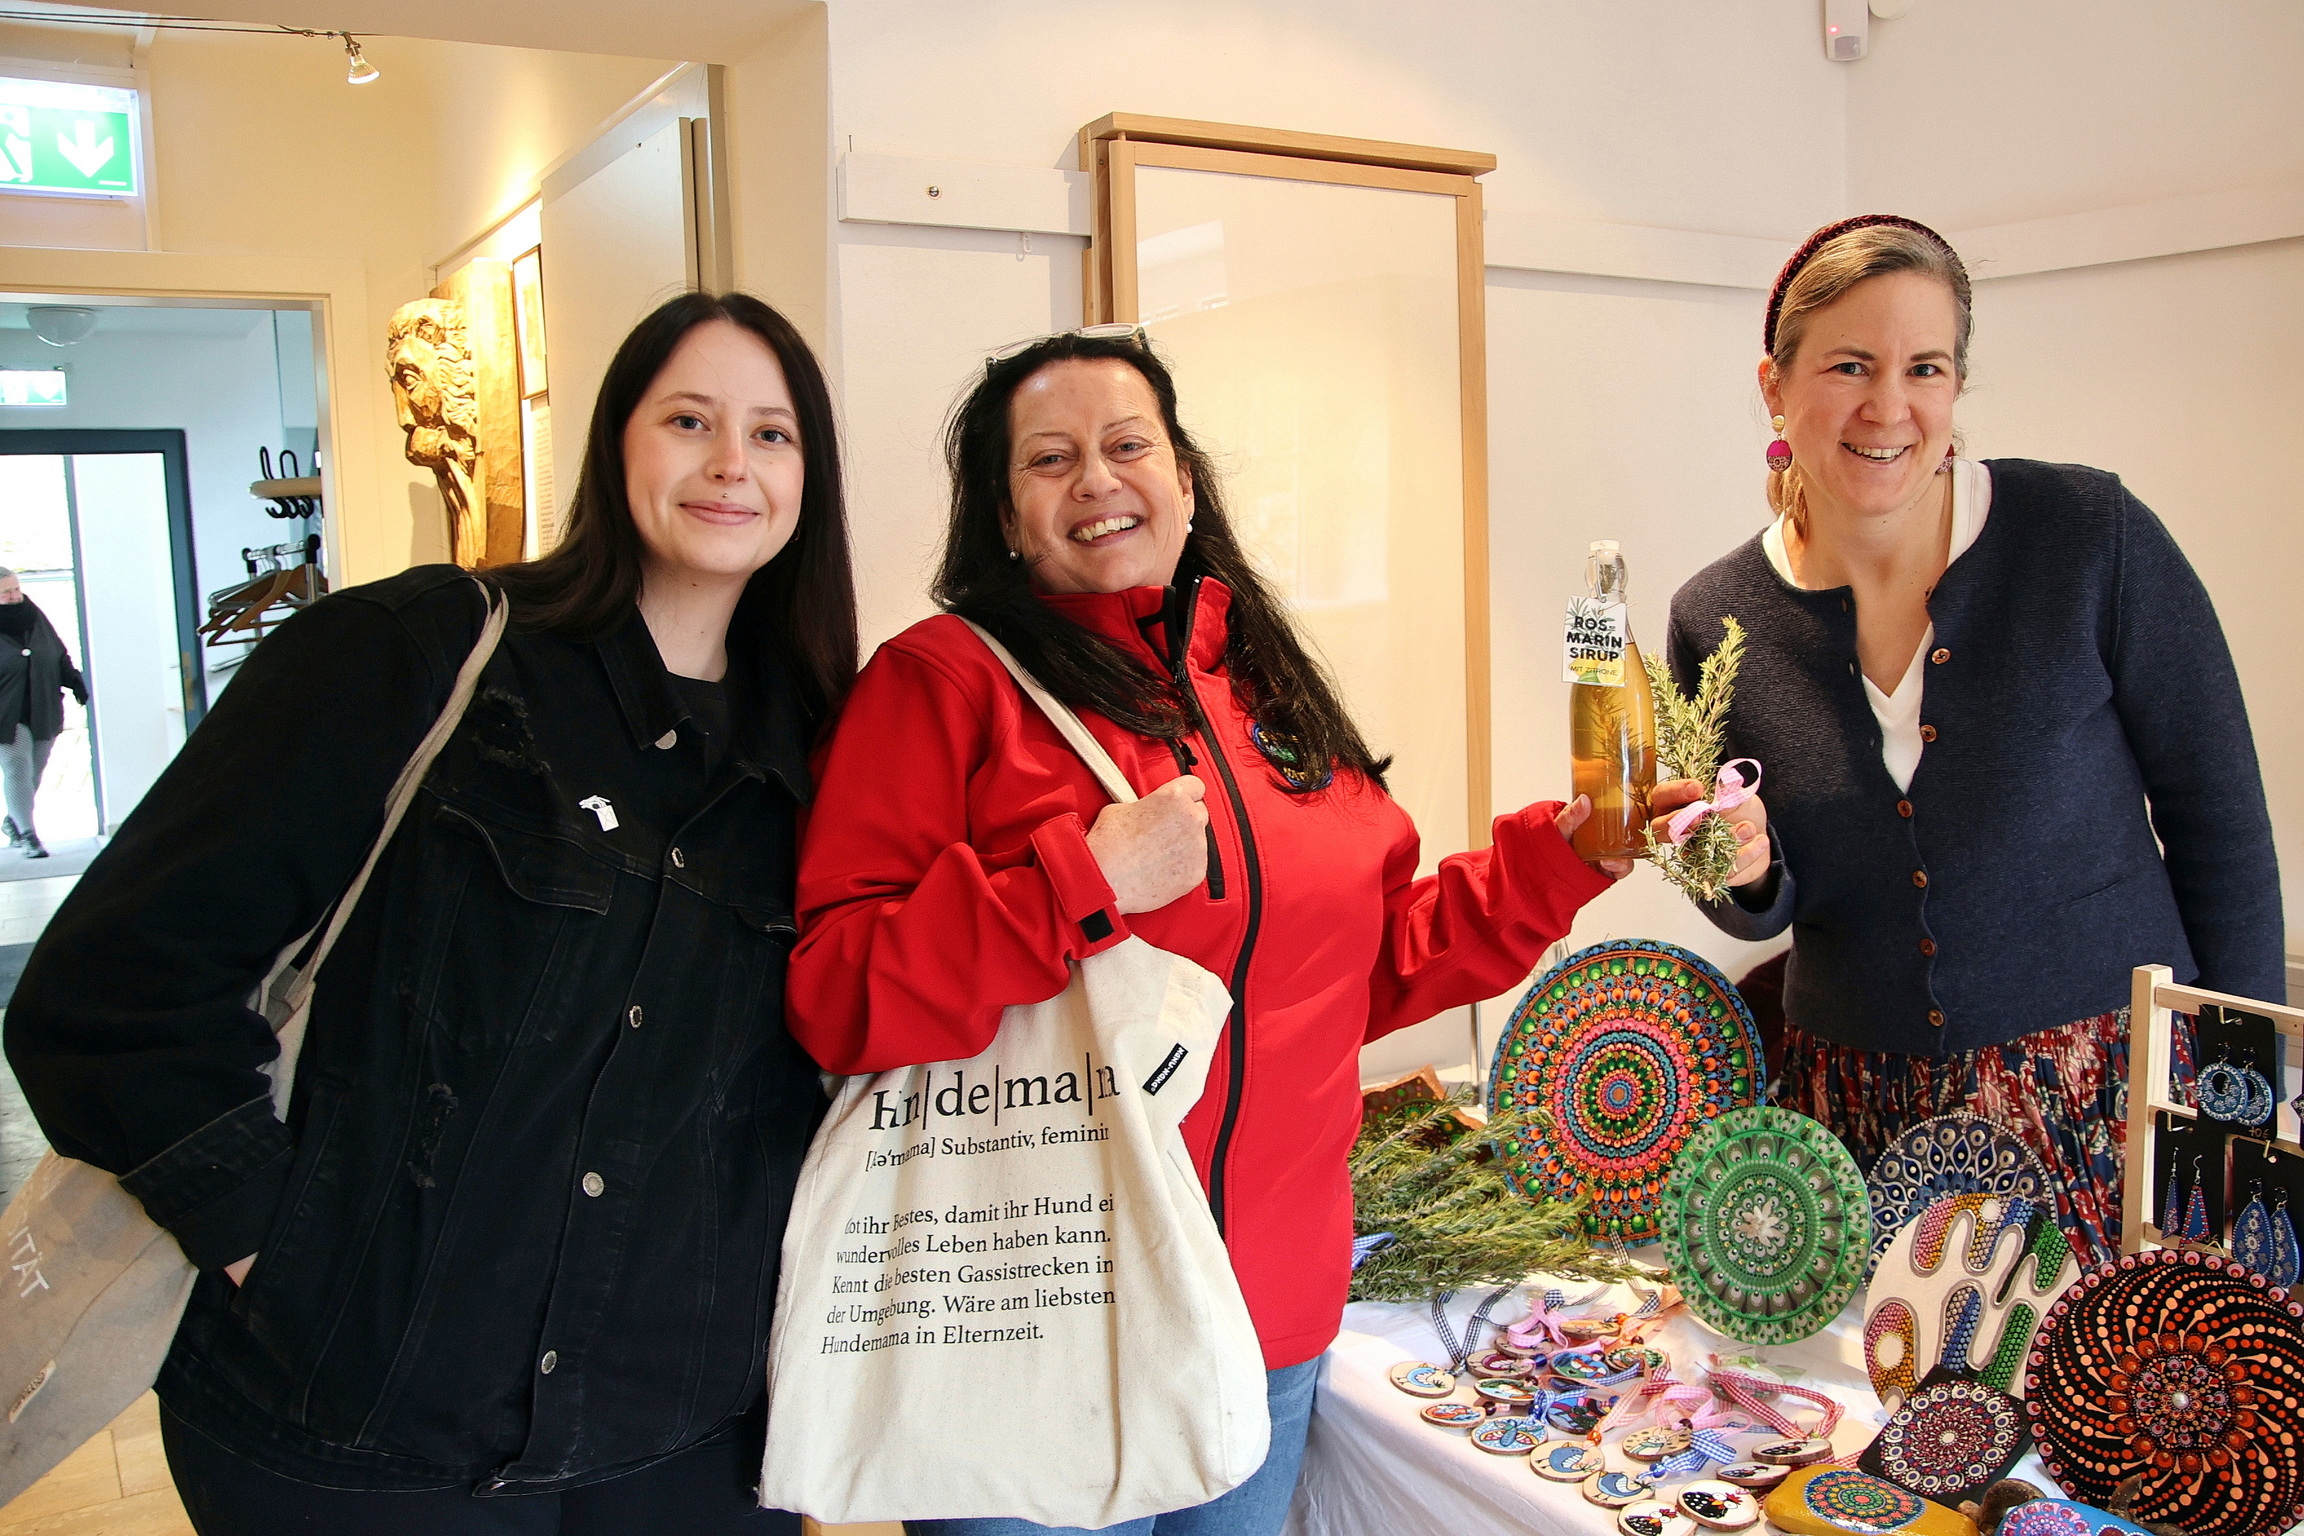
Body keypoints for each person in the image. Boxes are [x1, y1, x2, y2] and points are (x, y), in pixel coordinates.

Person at [6, 291, 856, 1533]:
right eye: (690, 420)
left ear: (809, 478)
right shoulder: (417, 653)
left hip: (685, 1432)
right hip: (356, 1423)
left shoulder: (834, 752)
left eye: (772, 434)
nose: (732, 462)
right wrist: (268, 1250)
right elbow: (115, 985)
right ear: (616, 442)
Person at [786, 328, 1624, 1536]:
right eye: (1051, 459)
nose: (1097, 479)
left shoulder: (1264, 683)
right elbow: (838, 993)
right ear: (1006, 517)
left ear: (1184, 479)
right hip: (1035, 1328)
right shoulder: (941, 685)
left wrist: (1567, 856)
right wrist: (1080, 884)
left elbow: (1359, 971)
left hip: (1265, 1332)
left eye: (1129, 445)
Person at [1661, 215, 2283, 1259]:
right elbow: (1753, 900)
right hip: (1856, 1131)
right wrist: (1742, 870)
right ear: (1774, 386)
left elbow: (2221, 829)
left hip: (2111, 1104)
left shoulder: (2088, 537)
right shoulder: (1715, 617)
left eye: (1926, 368)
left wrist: (2241, 1117)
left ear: (1956, 385)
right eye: (1849, 365)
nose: (1888, 406)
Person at [0, 567, 88, 860]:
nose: (15, 595)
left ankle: (14, 820)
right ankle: (28, 835)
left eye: (16, 588)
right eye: (6, 592)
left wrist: (74, 681)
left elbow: (57, 652)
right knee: (17, 765)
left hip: (43, 705)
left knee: (34, 772)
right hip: (5, 712)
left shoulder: (34, 615)